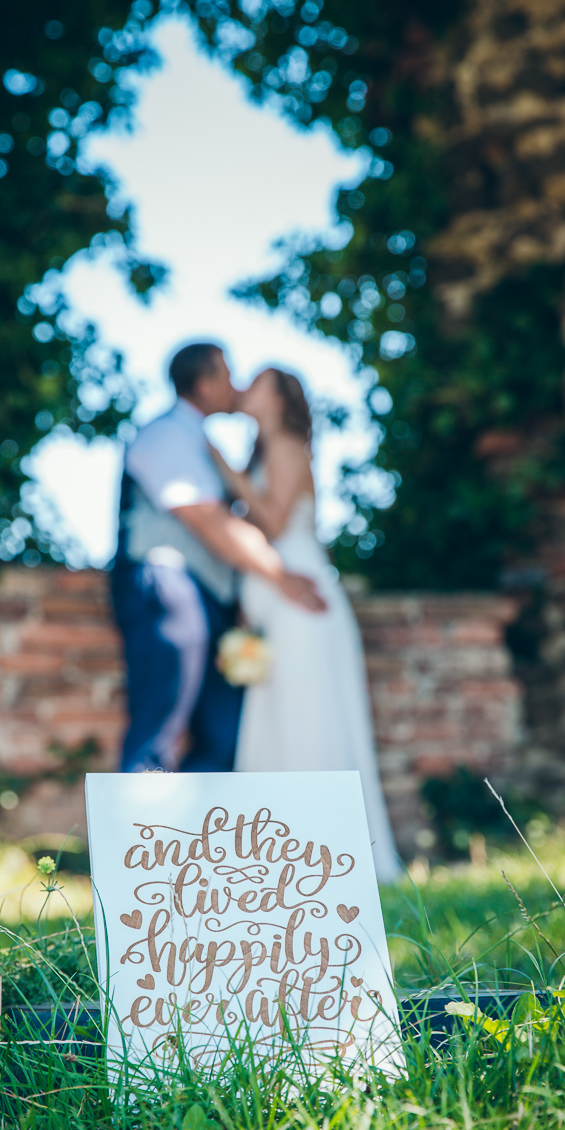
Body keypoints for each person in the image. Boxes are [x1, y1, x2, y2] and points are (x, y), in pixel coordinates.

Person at [212, 366, 403, 880]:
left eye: (256, 381)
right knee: (276, 716)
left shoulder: (288, 445)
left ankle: (325, 854)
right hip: (274, 600)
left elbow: (272, 522)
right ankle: (277, 861)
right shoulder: (264, 451)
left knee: (306, 717)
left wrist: (225, 472)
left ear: (277, 397)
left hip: (301, 598)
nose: (244, 388)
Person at [111, 342, 326, 774]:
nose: (238, 385)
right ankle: (133, 839)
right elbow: (205, 518)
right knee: (160, 725)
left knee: (225, 737)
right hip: (167, 584)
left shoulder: (203, 444)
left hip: (212, 600)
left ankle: (190, 840)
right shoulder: (167, 435)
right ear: (206, 386)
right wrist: (280, 575)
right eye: (229, 375)